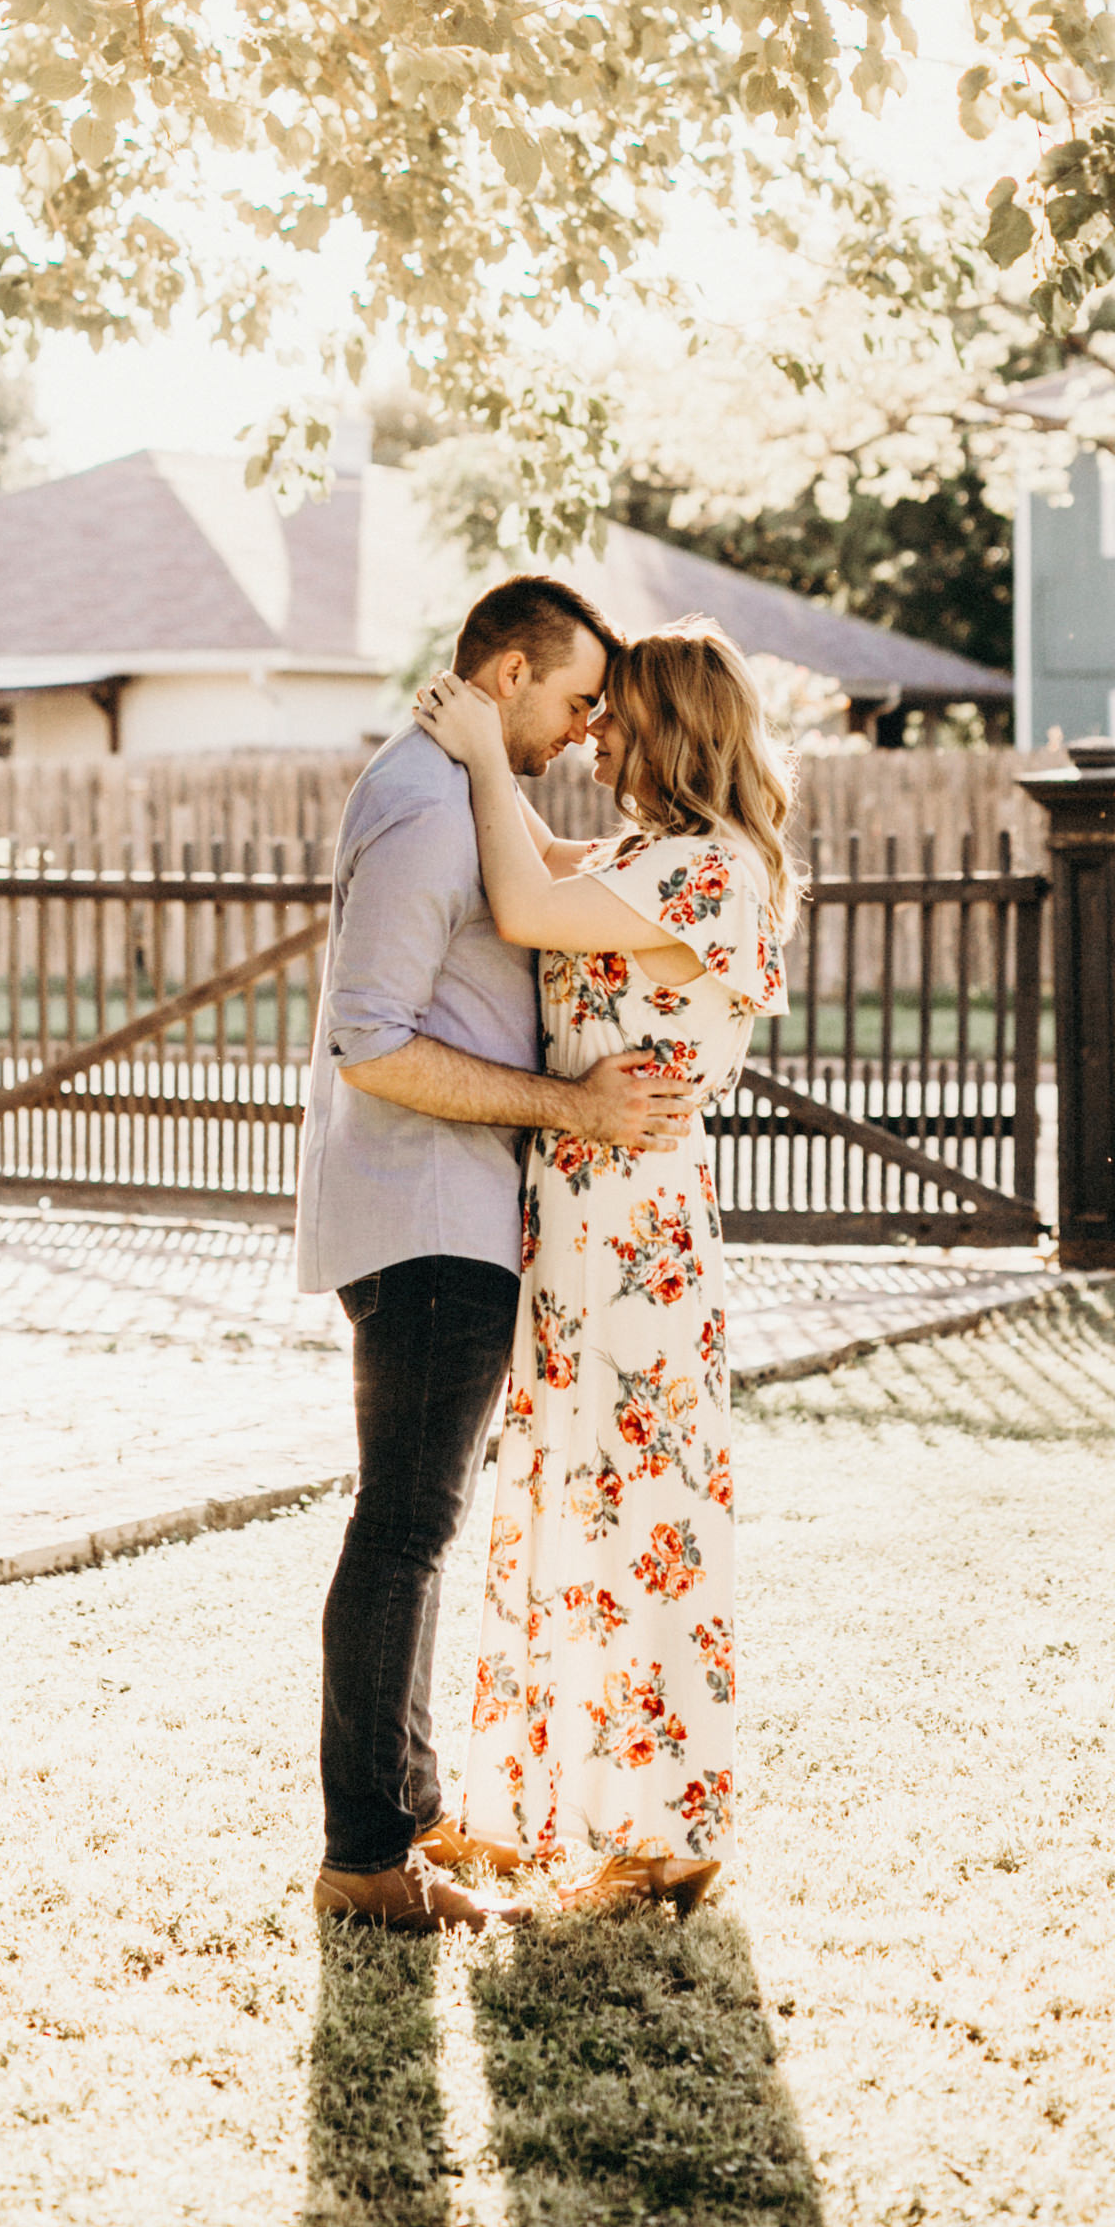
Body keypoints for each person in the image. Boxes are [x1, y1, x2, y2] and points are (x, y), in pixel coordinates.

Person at [300, 574, 703, 1936]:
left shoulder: (451, 779)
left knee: (416, 1523)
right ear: (512, 672)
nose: (590, 732)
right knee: (403, 1529)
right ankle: (365, 1857)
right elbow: (373, 1038)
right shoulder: (424, 806)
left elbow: (544, 873)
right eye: (580, 699)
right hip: (427, 1217)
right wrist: (576, 1109)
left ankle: (405, 1812)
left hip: (454, 1214)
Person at [412, 615, 798, 1920]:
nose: (596, 740)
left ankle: (664, 1840)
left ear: (676, 730)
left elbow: (523, 898)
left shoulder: (712, 873)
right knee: (567, 1497)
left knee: (645, 1522)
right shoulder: (647, 856)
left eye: (617, 719)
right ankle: (531, 1808)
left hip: (637, 1235)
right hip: (575, 1222)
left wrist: (480, 751)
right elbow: (535, 873)